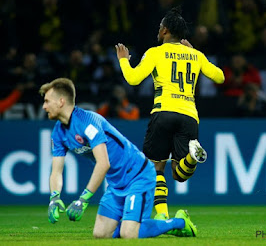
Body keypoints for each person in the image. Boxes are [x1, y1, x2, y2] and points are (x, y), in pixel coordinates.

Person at [40, 77, 197, 238]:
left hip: (138, 175)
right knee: (100, 234)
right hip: (116, 183)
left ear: (61, 101)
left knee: (129, 234)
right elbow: (56, 171)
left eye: (47, 101)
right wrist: (54, 197)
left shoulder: (88, 122)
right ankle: (131, 223)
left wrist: (83, 199)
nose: (44, 106)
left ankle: (179, 222)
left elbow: (103, 164)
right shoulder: (58, 133)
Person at [115, 7, 224, 220]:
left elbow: (134, 79)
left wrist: (123, 60)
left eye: (159, 27)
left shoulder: (155, 52)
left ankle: (162, 216)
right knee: (179, 173)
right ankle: (192, 158)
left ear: (165, 30)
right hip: (189, 115)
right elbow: (219, 77)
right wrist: (196, 53)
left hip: (163, 112)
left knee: (156, 167)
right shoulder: (195, 55)